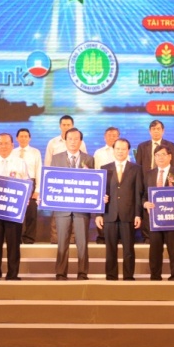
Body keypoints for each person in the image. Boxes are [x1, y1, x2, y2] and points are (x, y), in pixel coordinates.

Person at [0, 133, 29, 280]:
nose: (3, 146)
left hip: (13, 211)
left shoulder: (20, 162)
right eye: (0, 143)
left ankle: (12, 274)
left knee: (14, 244)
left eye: (6, 143)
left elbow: (26, 183)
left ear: (12, 145)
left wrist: (25, 200)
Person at [50, 127, 93, 280]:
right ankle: (61, 272)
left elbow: (93, 182)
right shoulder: (56, 158)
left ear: (81, 141)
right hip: (62, 208)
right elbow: (51, 180)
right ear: (65, 141)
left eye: (76, 139)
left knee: (82, 242)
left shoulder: (89, 159)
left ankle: (82, 272)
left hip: (82, 207)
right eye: (70, 139)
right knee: (62, 241)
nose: (73, 142)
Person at [97, 138, 143, 280]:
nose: (120, 151)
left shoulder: (136, 168)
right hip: (109, 214)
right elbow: (99, 193)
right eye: (117, 148)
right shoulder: (105, 168)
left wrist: (138, 214)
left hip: (128, 214)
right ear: (113, 150)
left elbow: (138, 193)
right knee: (110, 249)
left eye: (123, 149)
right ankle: (111, 277)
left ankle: (128, 277)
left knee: (128, 249)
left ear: (128, 150)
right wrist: (99, 214)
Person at [144, 146, 174, 280]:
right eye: (157, 155)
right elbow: (142, 195)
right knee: (155, 249)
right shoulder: (149, 174)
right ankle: (155, 276)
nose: (160, 157)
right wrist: (145, 203)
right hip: (154, 219)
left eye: (163, 154)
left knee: (173, 249)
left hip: (172, 219)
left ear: (170, 156)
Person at [45, 115, 88, 244]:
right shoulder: (52, 142)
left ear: (72, 125)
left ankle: (73, 239)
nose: (66, 127)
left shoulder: (81, 143)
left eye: (68, 125)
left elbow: (85, 162)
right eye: (63, 125)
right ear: (60, 126)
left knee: (76, 213)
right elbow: (47, 165)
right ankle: (56, 240)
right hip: (58, 185)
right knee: (57, 214)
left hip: (76, 185)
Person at [135, 119, 174, 242]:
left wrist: (170, 183)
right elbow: (138, 167)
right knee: (147, 208)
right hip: (147, 182)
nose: (156, 131)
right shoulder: (142, 146)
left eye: (158, 129)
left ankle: (166, 236)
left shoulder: (170, 145)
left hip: (165, 183)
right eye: (153, 129)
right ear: (150, 131)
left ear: (163, 131)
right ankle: (147, 237)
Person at [92, 126, 120, 244]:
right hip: (102, 185)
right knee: (102, 211)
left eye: (114, 135)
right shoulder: (98, 153)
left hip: (118, 186)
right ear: (104, 137)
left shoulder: (122, 151)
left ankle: (118, 236)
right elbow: (95, 170)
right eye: (109, 135)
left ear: (118, 137)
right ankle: (102, 236)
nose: (112, 138)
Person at [15, 128, 42, 244]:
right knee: (16, 212)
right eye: (21, 136)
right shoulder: (12, 152)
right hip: (16, 183)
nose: (23, 138)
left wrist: (38, 189)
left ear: (29, 138)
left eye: (26, 136)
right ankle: (16, 237)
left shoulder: (35, 152)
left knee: (31, 213)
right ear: (17, 138)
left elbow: (39, 170)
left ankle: (29, 238)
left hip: (31, 183)